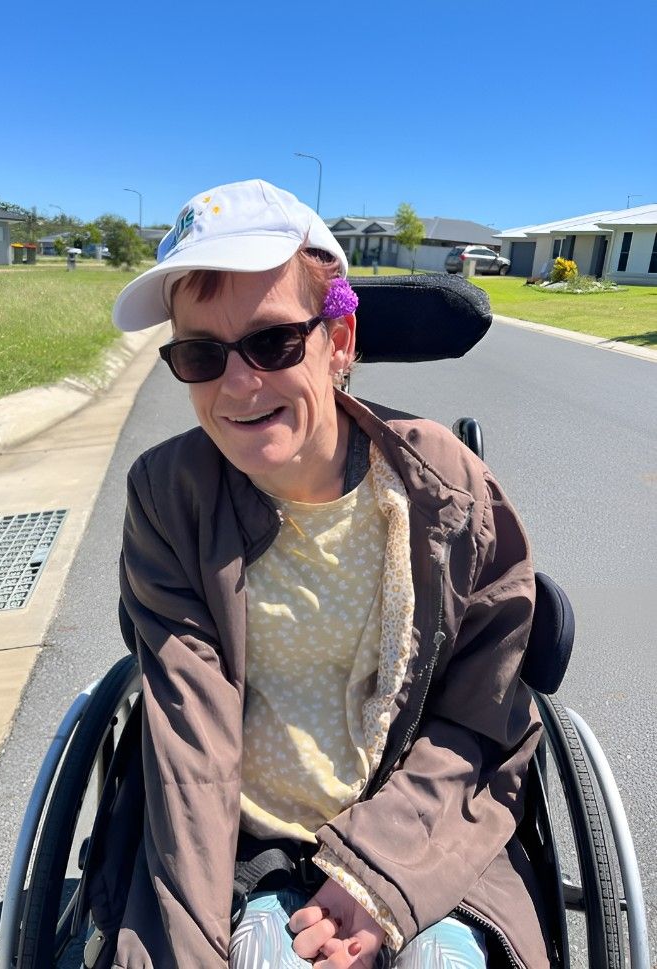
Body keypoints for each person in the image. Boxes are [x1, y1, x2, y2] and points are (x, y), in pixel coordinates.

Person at [106, 178, 550, 967]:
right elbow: (191, 744)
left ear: (338, 339)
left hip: (424, 826)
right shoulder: (168, 498)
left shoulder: (445, 490)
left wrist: (378, 873)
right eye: (200, 353)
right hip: (250, 841)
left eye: (273, 342)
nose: (237, 384)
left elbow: (481, 719)